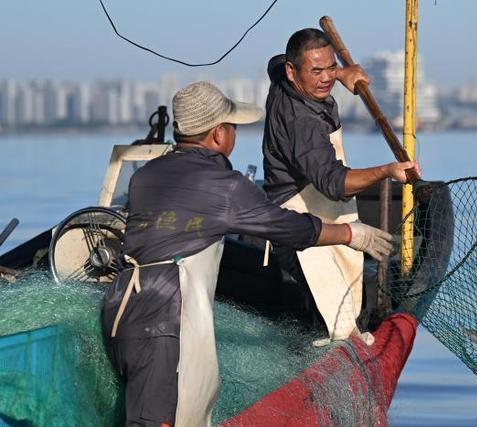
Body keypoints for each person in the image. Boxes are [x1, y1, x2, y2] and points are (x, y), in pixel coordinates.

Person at [101, 81, 393, 427]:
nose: (235, 135)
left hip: (122, 310)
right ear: (217, 134)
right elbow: (285, 226)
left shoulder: (146, 176)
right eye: (232, 127)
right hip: (168, 323)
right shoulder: (223, 185)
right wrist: (349, 234)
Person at [262, 28, 421, 344]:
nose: (324, 79)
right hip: (297, 218)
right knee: (335, 316)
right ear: (293, 73)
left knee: (352, 287)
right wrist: (387, 170)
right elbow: (335, 183)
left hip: (325, 207)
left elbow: (274, 62)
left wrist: (342, 74)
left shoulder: (283, 76)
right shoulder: (300, 122)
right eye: (316, 71)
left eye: (329, 68)